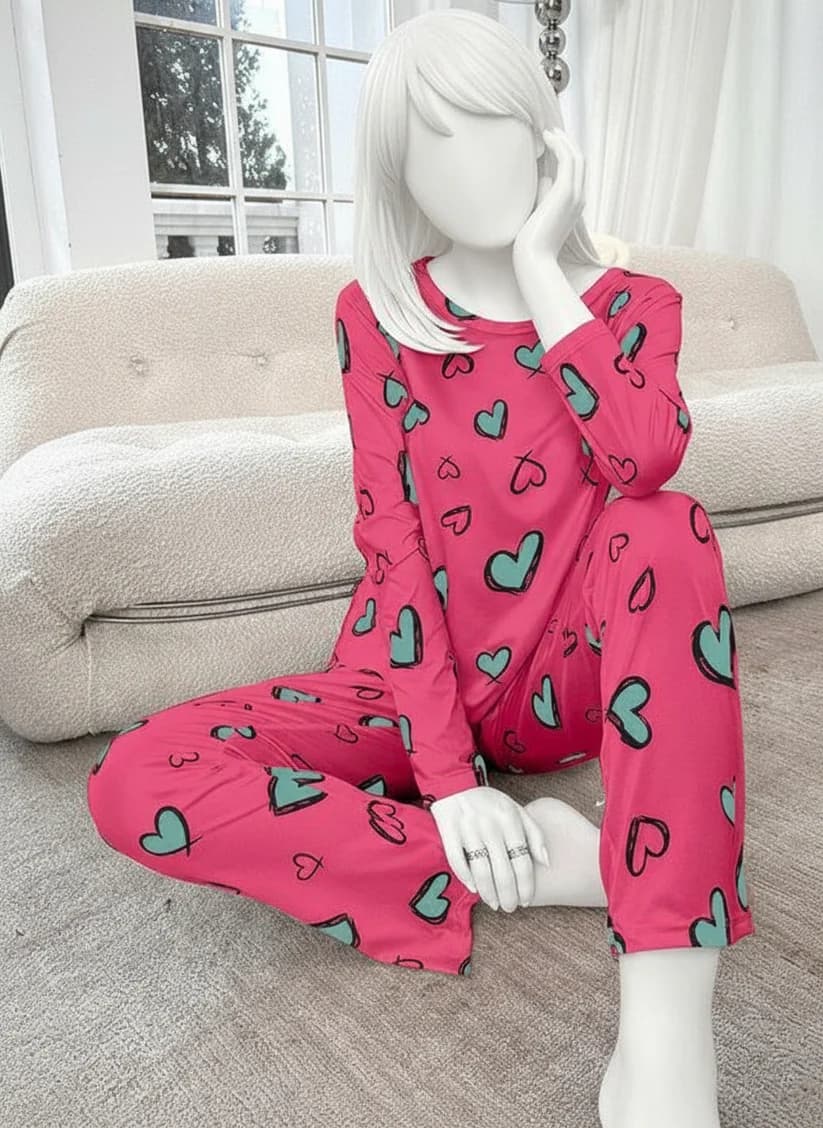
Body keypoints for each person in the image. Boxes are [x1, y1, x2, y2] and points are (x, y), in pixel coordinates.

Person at [87, 10, 754, 1126]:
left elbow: (642, 456)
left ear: (540, 133)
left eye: (490, 123)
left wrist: (543, 269)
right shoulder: (376, 320)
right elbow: (392, 553)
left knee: (664, 524)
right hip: (402, 679)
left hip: (563, 681)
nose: (469, 164)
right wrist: (448, 788)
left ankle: (666, 1038)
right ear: (397, 175)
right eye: (428, 144)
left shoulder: (636, 308)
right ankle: (589, 864)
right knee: (136, 778)